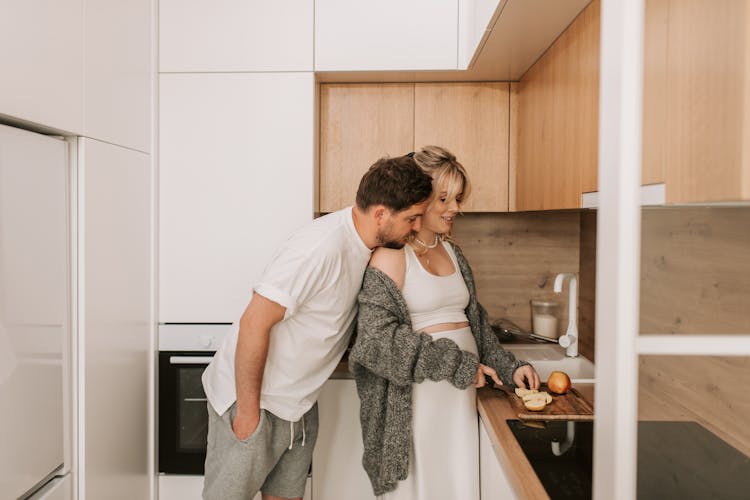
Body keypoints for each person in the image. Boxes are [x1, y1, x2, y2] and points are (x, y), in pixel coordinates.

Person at [200, 155, 434, 500]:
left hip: (299, 404)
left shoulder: (366, 247)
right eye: (412, 218)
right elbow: (254, 322)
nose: (416, 228)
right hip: (254, 402)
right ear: (381, 213)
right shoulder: (320, 247)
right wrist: (248, 414)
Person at [349, 145, 541, 499]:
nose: (455, 208)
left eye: (457, 198)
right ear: (420, 199)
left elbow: (477, 328)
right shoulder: (392, 256)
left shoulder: (453, 252)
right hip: (419, 403)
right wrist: (457, 365)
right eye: (444, 198)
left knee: (456, 486)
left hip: (461, 398)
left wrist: (510, 368)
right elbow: (376, 343)